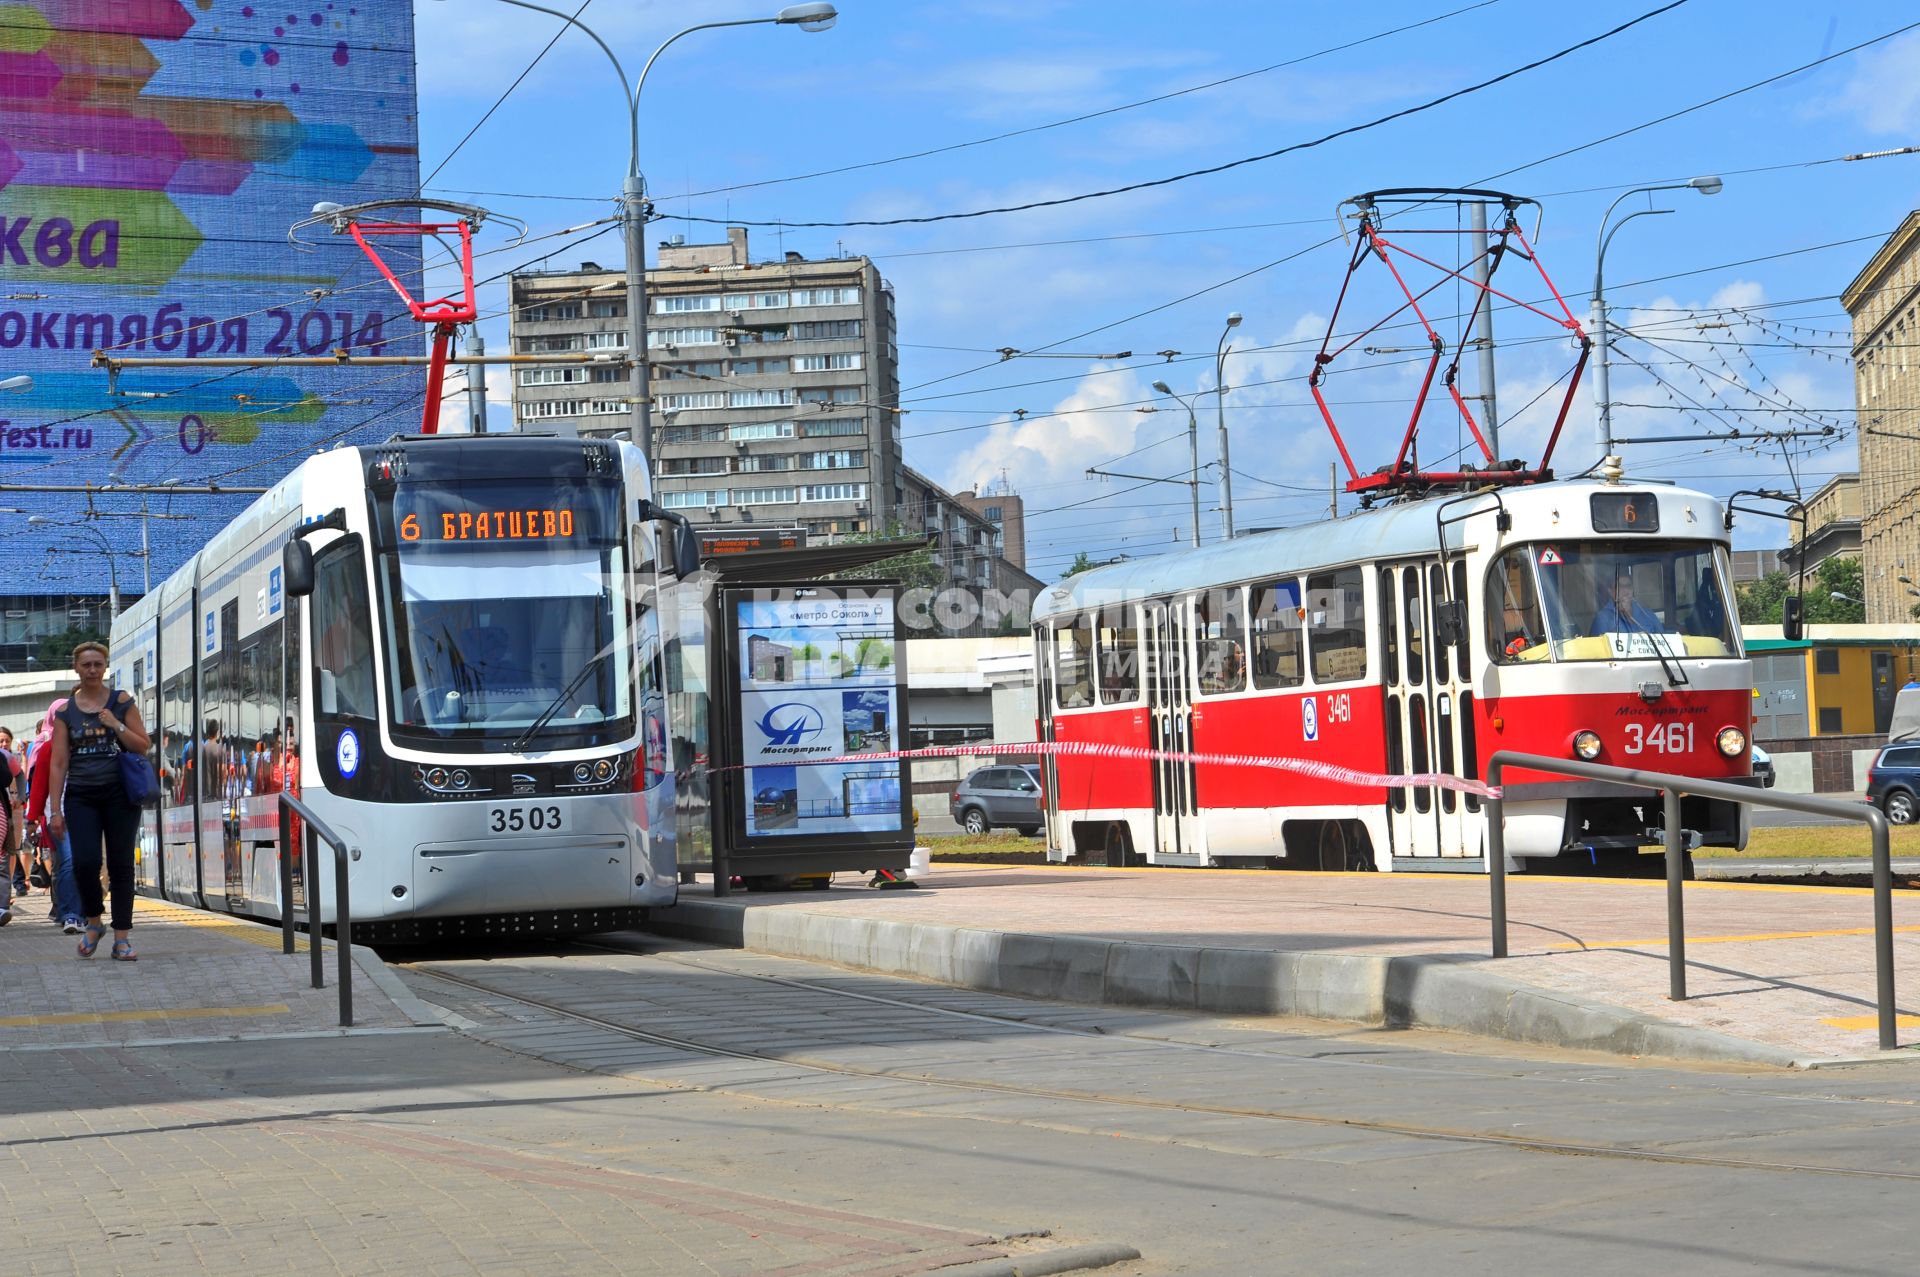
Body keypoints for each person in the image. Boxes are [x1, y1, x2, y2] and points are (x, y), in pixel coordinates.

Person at [47, 642, 151, 961]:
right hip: (81, 796)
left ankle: (122, 938)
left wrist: (115, 724)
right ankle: (94, 923)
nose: (92, 669)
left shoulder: (120, 702)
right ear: (76, 668)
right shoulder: (66, 711)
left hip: (120, 795)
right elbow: (59, 762)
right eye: (86, 664)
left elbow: (143, 745)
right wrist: (55, 811)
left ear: (105, 667)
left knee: (121, 865)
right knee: (85, 863)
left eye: (97, 664)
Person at [25, 699, 85, 934]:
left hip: (86, 813)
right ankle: (72, 914)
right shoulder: (49, 748)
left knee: (79, 863)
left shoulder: (86, 743)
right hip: (57, 815)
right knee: (69, 861)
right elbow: (39, 786)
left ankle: (70, 909)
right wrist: (32, 818)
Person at [1588, 572, 1662, 636]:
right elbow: (1597, 649)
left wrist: (1629, 614)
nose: (1625, 590)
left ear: (1632, 589)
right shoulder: (1602, 618)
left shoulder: (1647, 614)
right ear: (1610, 591)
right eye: (1619, 586)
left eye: (1628, 586)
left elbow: (1664, 640)